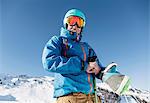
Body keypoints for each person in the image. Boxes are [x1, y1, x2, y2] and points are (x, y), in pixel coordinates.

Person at [42, 8, 105, 103]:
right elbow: (49, 62)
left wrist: (109, 75)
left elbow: (97, 67)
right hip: (70, 97)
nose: (75, 25)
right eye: (71, 21)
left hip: (92, 98)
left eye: (79, 22)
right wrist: (83, 65)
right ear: (66, 23)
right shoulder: (58, 41)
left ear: (82, 27)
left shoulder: (86, 47)